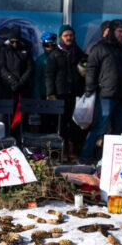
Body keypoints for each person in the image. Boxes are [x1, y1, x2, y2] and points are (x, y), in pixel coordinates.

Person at [78, 20, 122, 164]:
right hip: (105, 94)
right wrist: (90, 89)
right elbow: (91, 68)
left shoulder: (121, 49)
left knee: (119, 127)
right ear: (112, 31)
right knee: (100, 126)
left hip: (120, 96)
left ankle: (108, 157)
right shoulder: (100, 47)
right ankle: (84, 157)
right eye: (119, 31)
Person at [45, 24, 86, 159]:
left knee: (73, 122)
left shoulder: (78, 51)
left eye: (71, 35)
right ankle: (59, 152)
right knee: (60, 123)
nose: (69, 38)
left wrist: (84, 65)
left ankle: (72, 151)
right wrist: (50, 93)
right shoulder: (55, 53)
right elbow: (49, 75)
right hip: (59, 93)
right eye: (66, 35)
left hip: (74, 93)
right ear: (61, 38)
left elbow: (87, 63)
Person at [33, 32, 57, 99]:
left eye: (52, 44)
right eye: (47, 44)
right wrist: (37, 95)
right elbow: (37, 79)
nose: (50, 46)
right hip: (45, 94)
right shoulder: (40, 60)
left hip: (58, 93)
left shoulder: (61, 57)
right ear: (43, 45)